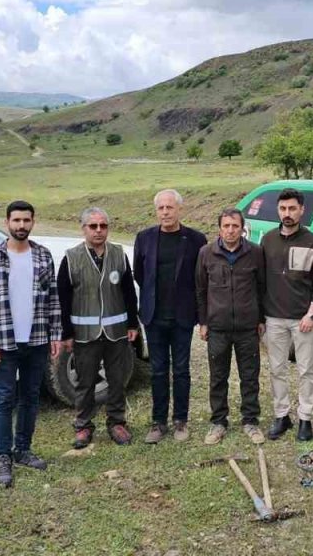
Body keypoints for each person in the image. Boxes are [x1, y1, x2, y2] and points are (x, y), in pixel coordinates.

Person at [0, 200, 63, 488]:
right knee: (3, 399)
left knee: (30, 397)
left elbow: (53, 299)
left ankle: (23, 449)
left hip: (36, 340)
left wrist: (55, 334)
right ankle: (3, 455)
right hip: (4, 342)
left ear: (33, 222)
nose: (21, 225)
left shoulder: (43, 256)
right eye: (16, 220)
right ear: (7, 223)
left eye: (26, 220)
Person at [57, 208, 140, 449]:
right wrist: (66, 333)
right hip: (85, 335)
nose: (98, 230)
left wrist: (132, 324)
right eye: (93, 226)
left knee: (117, 380)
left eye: (103, 226)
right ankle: (83, 425)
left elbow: (128, 292)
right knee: (85, 382)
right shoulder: (71, 258)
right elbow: (63, 298)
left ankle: (117, 423)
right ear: (83, 228)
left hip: (116, 332)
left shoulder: (119, 254)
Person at [134, 189, 207, 444]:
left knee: (181, 370)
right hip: (154, 317)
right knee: (157, 370)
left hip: (182, 316)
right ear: (156, 211)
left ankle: (180, 420)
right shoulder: (144, 238)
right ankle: (158, 422)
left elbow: (201, 278)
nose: (165, 212)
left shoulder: (196, 239)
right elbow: (139, 274)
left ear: (179, 209)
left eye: (170, 207)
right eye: (161, 208)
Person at [260, 188, 313, 441]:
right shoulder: (267, 240)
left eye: (292, 208)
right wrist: (260, 317)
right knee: (277, 369)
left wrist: (311, 314)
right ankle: (282, 416)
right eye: (283, 209)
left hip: (302, 319)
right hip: (273, 317)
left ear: (302, 210)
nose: (287, 213)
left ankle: (305, 418)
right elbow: (260, 279)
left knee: (306, 370)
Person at [196, 208, 267, 445]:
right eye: (226, 226)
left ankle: (250, 421)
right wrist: (203, 322)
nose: (230, 230)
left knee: (250, 376)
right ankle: (218, 422)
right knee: (218, 377)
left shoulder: (255, 252)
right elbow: (201, 290)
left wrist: (260, 319)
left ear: (242, 228)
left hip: (247, 327)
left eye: (235, 226)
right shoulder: (206, 253)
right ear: (219, 228)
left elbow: (262, 288)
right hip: (218, 327)